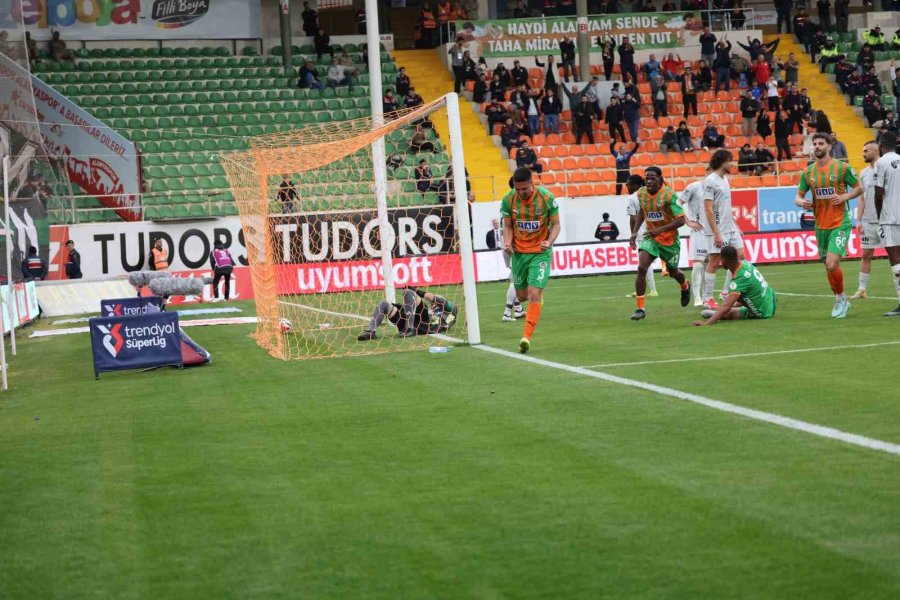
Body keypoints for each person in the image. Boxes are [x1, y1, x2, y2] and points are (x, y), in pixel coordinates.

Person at [795, 133, 862, 319]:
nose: (816, 146)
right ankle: (840, 298)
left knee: (832, 263)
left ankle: (841, 298)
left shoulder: (842, 168)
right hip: (821, 225)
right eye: (814, 143)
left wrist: (844, 197)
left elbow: (859, 187)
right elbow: (797, 197)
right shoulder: (808, 172)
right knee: (828, 266)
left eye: (820, 143)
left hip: (840, 222)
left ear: (829, 146)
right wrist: (802, 202)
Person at [501, 167, 560, 353]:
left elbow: (557, 224)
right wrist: (507, 242)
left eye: (524, 189)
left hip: (540, 253)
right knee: (522, 296)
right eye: (517, 189)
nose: (520, 193)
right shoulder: (508, 199)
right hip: (519, 254)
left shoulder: (547, 198)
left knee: (535, 293)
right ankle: (536, 300)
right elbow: (508, 226)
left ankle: (526, 337)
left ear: (532, 183)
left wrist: (549, 242)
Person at [628, 167, 691, 320]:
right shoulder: (641, 193)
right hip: (651, 238)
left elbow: (681, 220)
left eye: (652, 178)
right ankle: (640, 309)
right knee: (642, 268)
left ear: (660, 179)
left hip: (669, 240)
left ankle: (684, 285)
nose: (649, 181)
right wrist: (634, 232)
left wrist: (660, 229)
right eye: (647, 178)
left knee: (673, 271)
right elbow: (643, 211)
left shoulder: (669, 195)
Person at [693, 245, 777, 325]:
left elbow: (726, 307)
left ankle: (720, 313)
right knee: (739, 294)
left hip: (762, 312)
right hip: (771, 302)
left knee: (720, 312)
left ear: (723, 259)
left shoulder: (738, 279)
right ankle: (723, 311)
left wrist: (706, 323)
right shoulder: (745, 263)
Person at [702, 149, 744, 309]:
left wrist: (736, 225)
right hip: (717, 229)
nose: (732, 164)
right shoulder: (710, 181)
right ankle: (707, 298)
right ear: (722, 162)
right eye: (730, 160)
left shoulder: (725, 179)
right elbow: (708, 208)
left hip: (730, 228)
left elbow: (726, 206)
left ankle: (727, 292)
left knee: (740, 257)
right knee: (714, 260)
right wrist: (716, 233)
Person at [357, 287, 458, 340]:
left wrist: (418, 292)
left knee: (408, 292)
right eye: (432, 303)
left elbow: (441, 301)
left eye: (434, 302)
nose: (433, 303)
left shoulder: (450, 314)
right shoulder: (431, 312)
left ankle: (409, 328)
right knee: (383, 305)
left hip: (425, 324)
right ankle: (371, 332)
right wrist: (402, 307)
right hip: (414, 322)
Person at [851, 141, 883, 300]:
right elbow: (862, 199)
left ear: (876, 150)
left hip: (887, 221)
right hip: (869, 221)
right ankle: (862, 289)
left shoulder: (887, 169)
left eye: (866, 151)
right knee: (866, 254)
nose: (863, 153)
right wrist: (859, 220)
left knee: (895, 255)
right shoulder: (863, 173)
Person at [873, 131, 900, 316]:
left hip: (890, 218)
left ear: (882, 146)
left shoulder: (881, 163)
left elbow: (878, 193)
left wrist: (878, 215)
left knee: (896, 261)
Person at [624, 174, 658, 300]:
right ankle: (643, 287)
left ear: (637, 185)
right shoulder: (649, 194)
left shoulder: (632, 198)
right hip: (654, 230)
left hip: (642, 232)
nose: (627, 186)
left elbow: (633, 218)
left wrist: (632, 234)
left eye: (629, 184)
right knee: (646, 263)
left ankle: (653, 290)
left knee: (644, 263)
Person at [679, 178, 708, 306]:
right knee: (698, 264)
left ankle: (708, 297)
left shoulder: (718, 187)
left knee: (710, 266)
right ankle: (697, 298)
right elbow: (677, 203)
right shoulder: (694, 187)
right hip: (699, 231)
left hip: (714, 231)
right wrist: (687, 221)